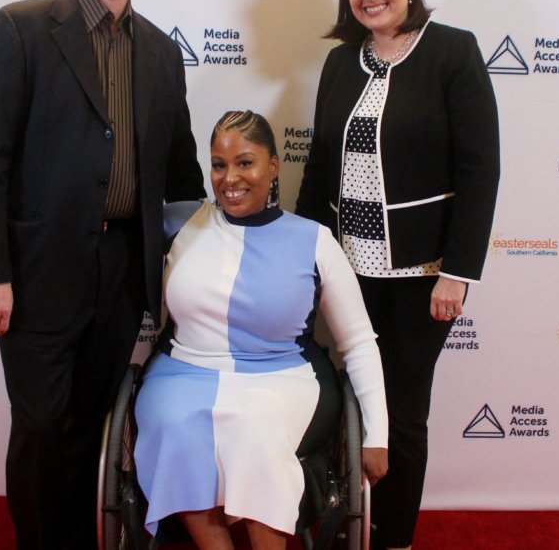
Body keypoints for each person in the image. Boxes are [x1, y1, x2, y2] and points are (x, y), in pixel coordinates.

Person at [0, 0, 205, 549]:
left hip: (124, 270)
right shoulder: (20, 28)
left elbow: (180, 174)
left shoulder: (160, 51)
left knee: (90, 422)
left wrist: (193, 273)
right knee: (40, 424)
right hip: (38, 272)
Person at [295, 0, 500, 550]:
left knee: (402, 416)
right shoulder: (339, 62)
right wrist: (300, 259)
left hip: (422, 276)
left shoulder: (453, 52)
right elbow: (319, 170)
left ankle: (393, 539)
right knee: (348, 401)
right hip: (346, 272)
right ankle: (346, 521)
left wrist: (458, 271)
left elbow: (479, 170)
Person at [134, 110, 389, 550]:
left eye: (245, 162)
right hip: (183, 369)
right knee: (174, 426)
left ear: (273, 166)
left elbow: (359, 342)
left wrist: (378, 435)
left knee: (256, 428)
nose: (229, 178)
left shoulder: (313, 239)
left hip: (281, 375)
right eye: (218, 164)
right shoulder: (179, 223)